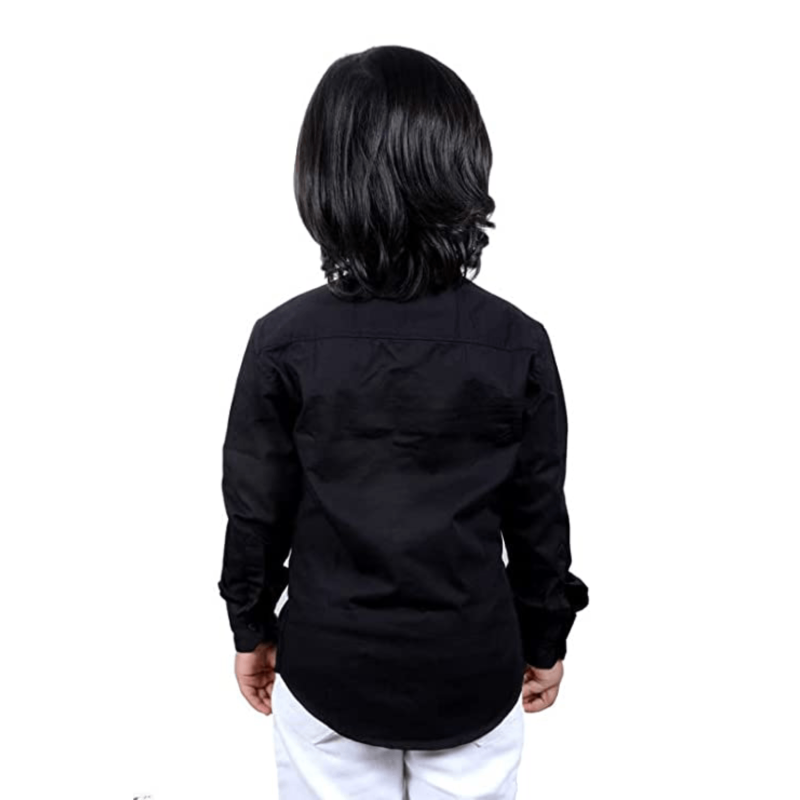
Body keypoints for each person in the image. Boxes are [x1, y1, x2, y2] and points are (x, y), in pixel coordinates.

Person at [217, 44, 590, 800]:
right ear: (462, 166)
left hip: (329, 666)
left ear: (324, 176)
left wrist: (251, 628)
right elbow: (538, 516)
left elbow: (257, 509)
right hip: (472, 666)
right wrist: (547, 636)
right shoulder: (517, 342)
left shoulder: (284, 341)